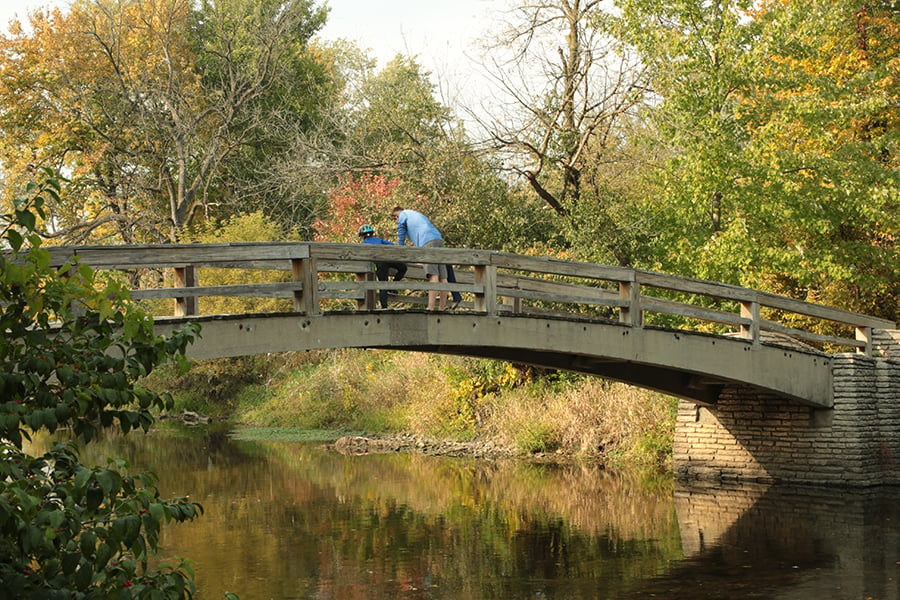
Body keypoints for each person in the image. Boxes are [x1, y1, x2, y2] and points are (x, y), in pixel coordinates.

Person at [392, 206, 448, 310]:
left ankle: (430, 307)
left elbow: (401, 231)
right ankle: (442, 307)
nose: (397, 221)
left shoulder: (403, 215)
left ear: (396, 216)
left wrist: (400, 248)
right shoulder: (416, 214)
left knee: (433, 274)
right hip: (438, 239)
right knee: (442, 276)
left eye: (395, 219)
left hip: (427, 241)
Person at [357, 224, 407, 309]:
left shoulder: (363, 244)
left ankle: (384, 307)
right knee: (403, 268)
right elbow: (391, 244)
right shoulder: (378, 240)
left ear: (362, 236)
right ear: (372, 233)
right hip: (388, 260)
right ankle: (394, 286)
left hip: (380, 263)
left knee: (383, 284)